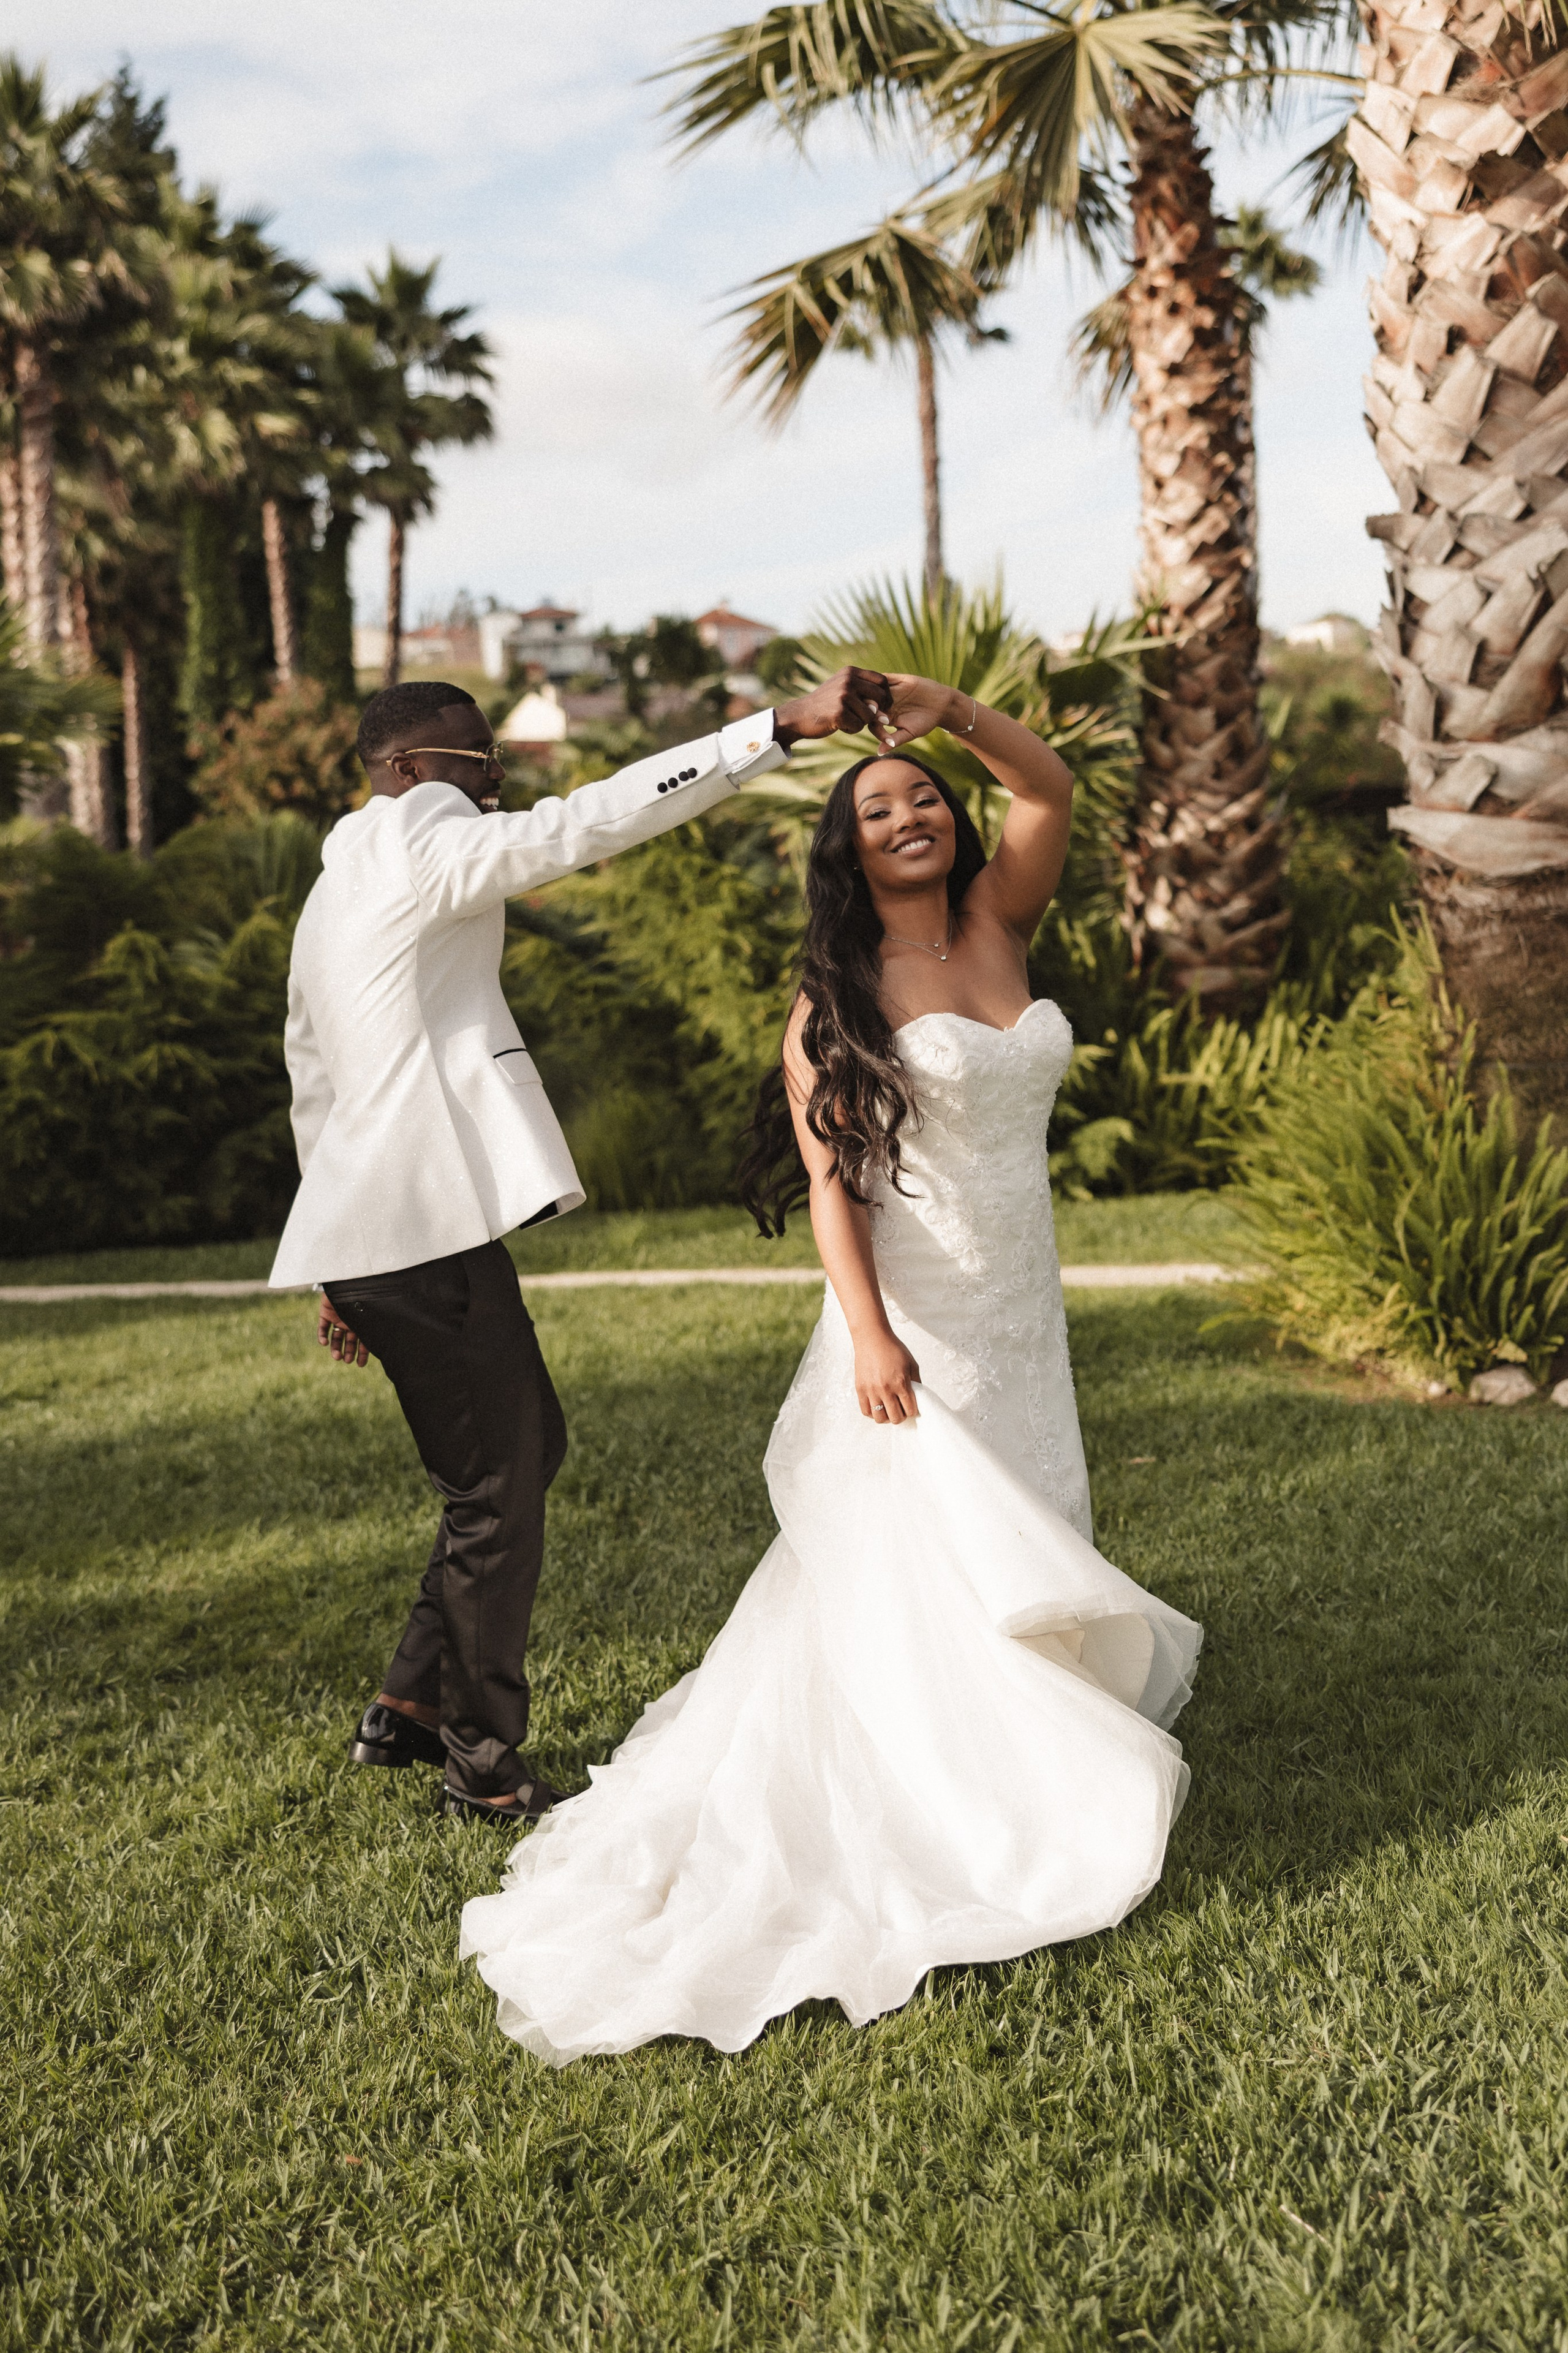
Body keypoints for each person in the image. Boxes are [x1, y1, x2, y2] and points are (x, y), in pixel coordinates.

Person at [459, 673, 1203, 2057]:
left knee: (1028, 1513)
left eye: (923, 797)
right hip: (915, 1309)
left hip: (1020, 1298)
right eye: (878, 809)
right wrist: (867, 1330)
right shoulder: (834, 998)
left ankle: (1022, 1748)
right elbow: (830, 1183)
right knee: (929, 1545)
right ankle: (945, 1790)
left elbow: (1048, 785)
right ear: (845, 851)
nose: (910, 816)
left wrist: (946, 709)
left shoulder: (1001, 919)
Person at [268, 668, 895, 1824]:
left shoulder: (335, 884)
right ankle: (482, 1764)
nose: (493, 775)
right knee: (496, 1491)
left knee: (519, 1455)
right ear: (406, 769)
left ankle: (408, 1700)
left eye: (492, 755)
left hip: (382, 1231)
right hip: (418, 1230)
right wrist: (773, 729)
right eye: (472, 758)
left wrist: (330, 1256)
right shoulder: (424, 840)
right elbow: (591, 820)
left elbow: (312, 1074)